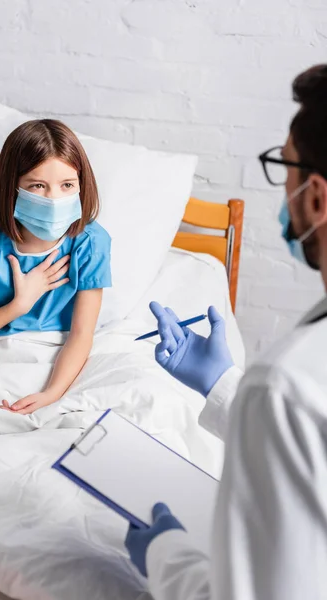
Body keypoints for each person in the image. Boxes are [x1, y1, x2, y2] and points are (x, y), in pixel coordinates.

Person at [125, 64, 327, 599]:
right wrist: (222, 383)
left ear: (316, 198)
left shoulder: (287, 384)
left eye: (284, 165)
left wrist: (166, 553)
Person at [0, 120, 111, 414]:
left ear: (81, 186)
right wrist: (19, 304)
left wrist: (52, 393)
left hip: (57, 351)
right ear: (13, 187)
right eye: (37, 185)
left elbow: (82, 333)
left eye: (67, 185)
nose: (54, 199)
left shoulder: (91, 242)